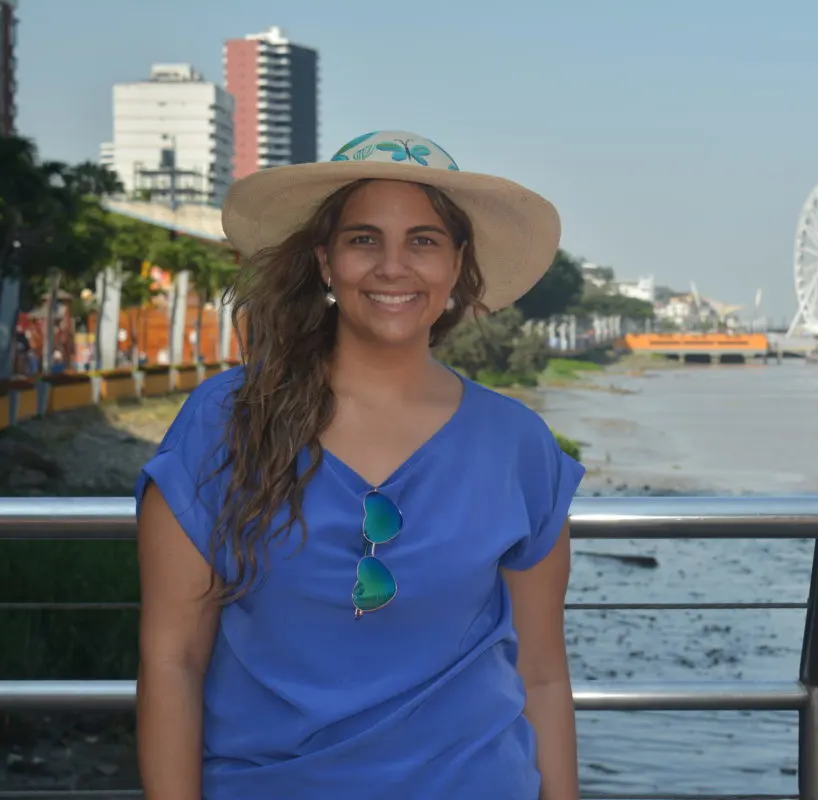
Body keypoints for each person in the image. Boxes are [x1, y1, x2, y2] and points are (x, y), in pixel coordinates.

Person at [134, 130, 585, 800]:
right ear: (325, 260)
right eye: (364, 239)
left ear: (458, 264)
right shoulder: (224, 421)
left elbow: (543, 674)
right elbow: (172, 661)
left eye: (424, 241)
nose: (392, 266)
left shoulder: (518, 444)